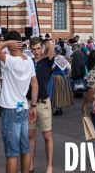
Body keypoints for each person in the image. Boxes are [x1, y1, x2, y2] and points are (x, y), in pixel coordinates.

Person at [0, 31, 38, 173]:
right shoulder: (28, 60)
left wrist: (6, 43)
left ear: (12, 45)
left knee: (12, 151)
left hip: (11, 108)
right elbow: (35, 85)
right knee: (25, 148)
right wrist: (33, 107)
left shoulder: (11, 61)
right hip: (23, 106)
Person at [27, 37, 56, 173]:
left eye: (38, 49)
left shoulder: (47, 61)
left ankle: (49, 166)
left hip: (44, 102)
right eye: (34, 49)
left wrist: (46, 44)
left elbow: (51, 45)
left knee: (47, 135)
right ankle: (30, 163)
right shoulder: (29, 62)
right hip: (29, 102)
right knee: (30, 134)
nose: (36, 52)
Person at [50, 44, 73, 116]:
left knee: (56, 93)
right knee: (62, 92)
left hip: (56, 78)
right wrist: (66, 73)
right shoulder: (64, 59)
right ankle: (60, 108)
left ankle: (57, 108)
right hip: (64, 78)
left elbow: (52, 68)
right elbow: (69, 68)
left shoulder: (55, 59)